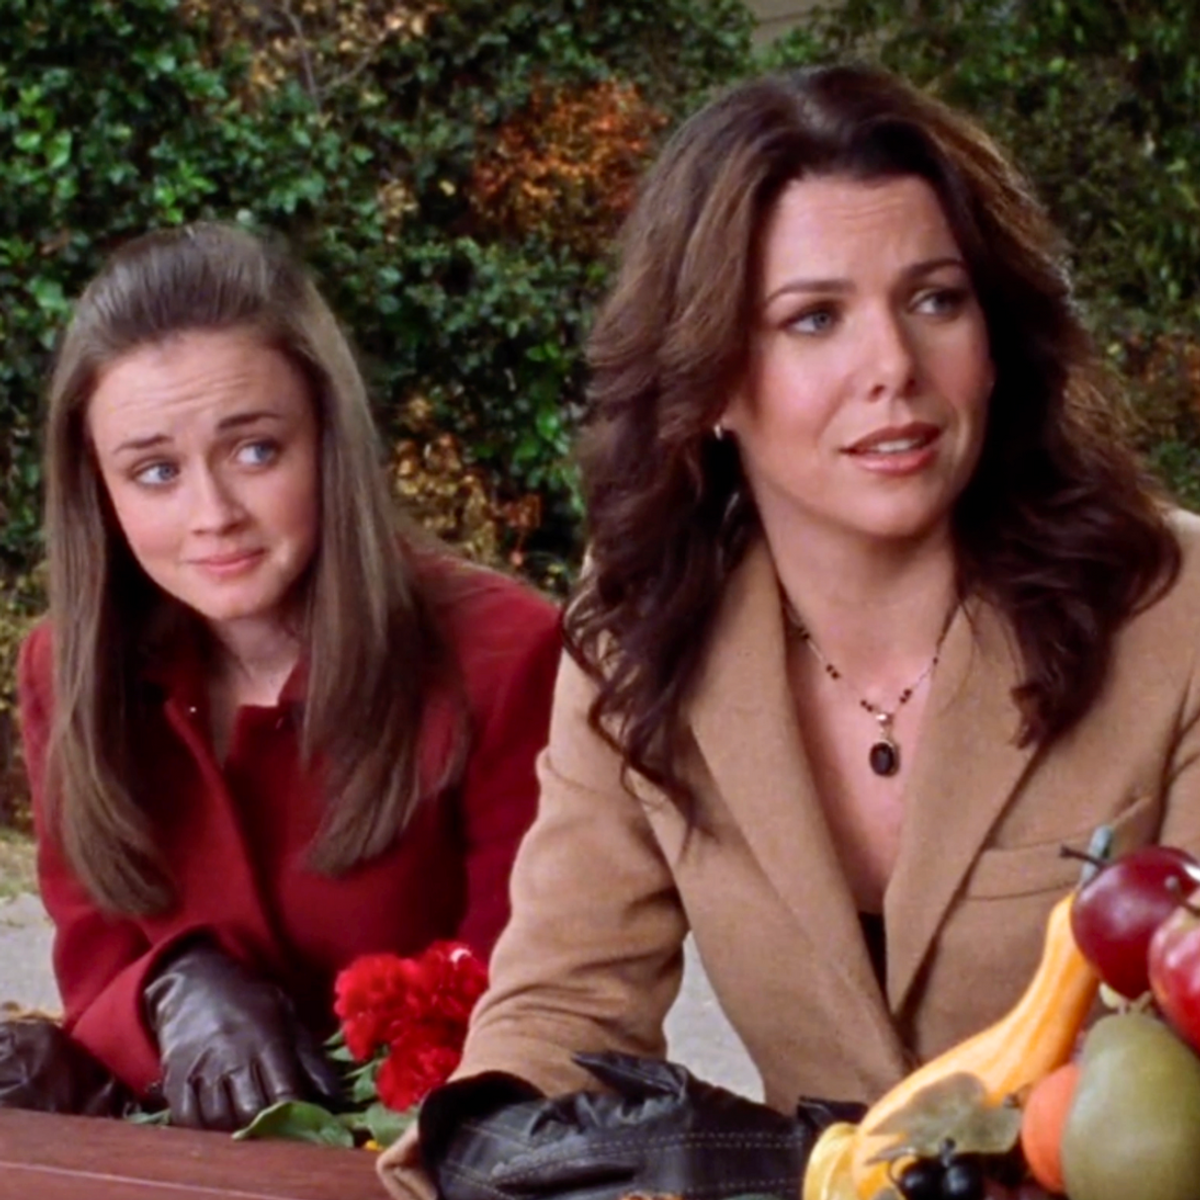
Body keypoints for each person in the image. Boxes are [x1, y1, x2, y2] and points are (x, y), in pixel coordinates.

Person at [378, 61, 1200, 1199]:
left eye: (935, 300)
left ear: (995, 340)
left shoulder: (1174, 612)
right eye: (813, 318)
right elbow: (562, 1007)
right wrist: (497, 1141)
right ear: (710, 377)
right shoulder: (639, 633)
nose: (893, 369)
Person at [14, 221, 562, 1131]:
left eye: (256, 450)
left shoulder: (507, 655)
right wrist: (172, 986)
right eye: (155, 471)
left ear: (327, 438)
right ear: (99, 492)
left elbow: (538, 1019)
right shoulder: (67, 667)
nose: (212, 514)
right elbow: (98, 989)